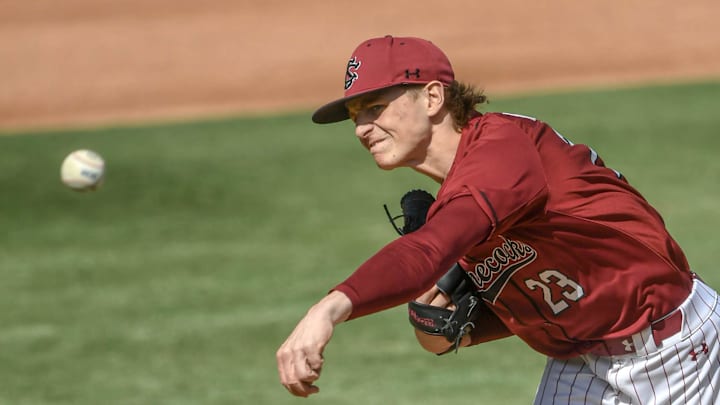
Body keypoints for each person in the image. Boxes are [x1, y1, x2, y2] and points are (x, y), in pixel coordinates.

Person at [275, 35, 720, 404]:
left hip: (675, 350)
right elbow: (563, 291)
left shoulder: (502, 152)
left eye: (375, 107)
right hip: (579, 360)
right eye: (356, 116)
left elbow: (429, 251)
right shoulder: (460, 197)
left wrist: (328, 310)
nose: (361, 128)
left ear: (432, 96)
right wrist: (458, 332)